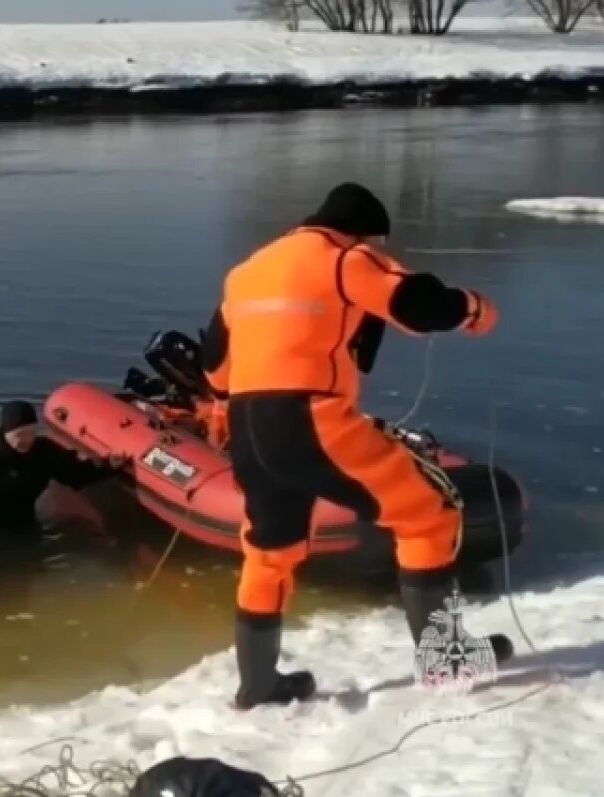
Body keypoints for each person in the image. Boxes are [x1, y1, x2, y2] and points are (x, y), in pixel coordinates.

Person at [199, 182, 511, 709]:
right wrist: (475, 309)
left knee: (269, 552)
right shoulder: (344, 257)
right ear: (361, 231)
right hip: (312, 419)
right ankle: (446, 659)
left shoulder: (246, 272)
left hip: (249, 425)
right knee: (429, 516)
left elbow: (214, 367)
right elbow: (413, 304)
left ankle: (258, 684)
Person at [0, 400, 129, 528]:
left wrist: (109, 465)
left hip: (24, 526)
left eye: (31, 432)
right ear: (6, 432)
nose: (27, 440)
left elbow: (77, 475)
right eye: (20, 435)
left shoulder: (44, 452)